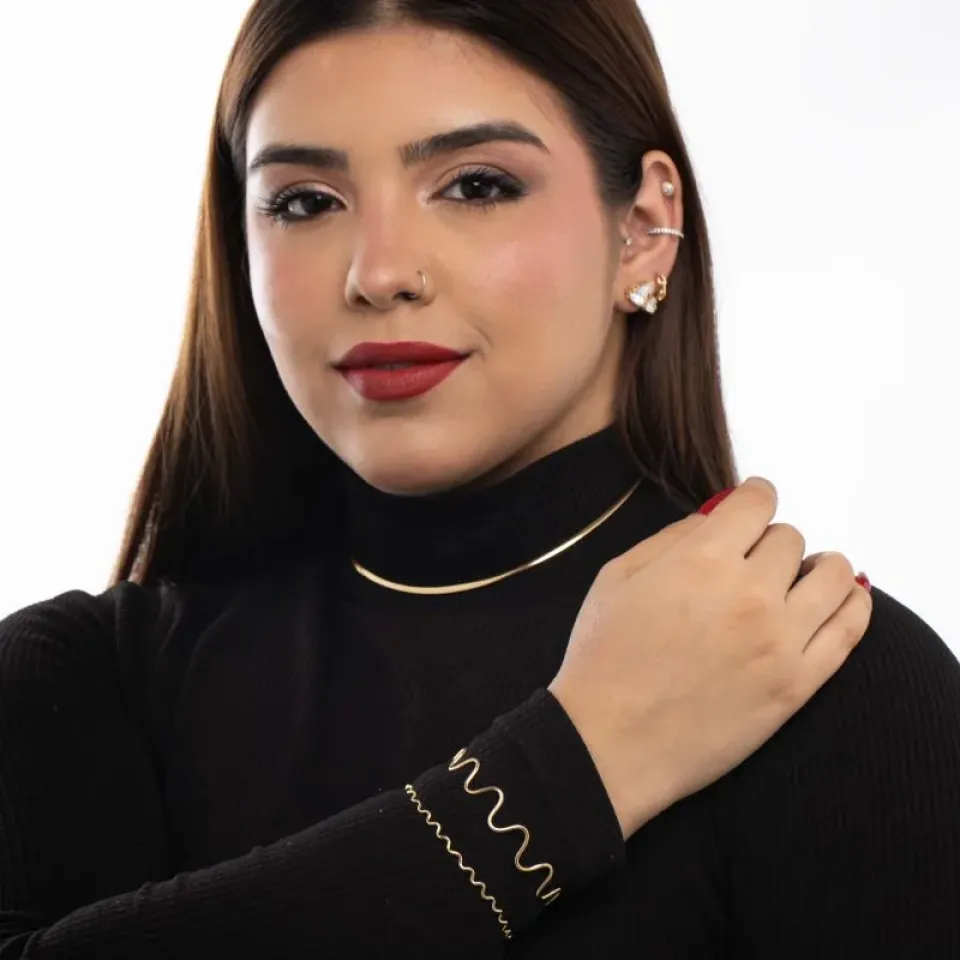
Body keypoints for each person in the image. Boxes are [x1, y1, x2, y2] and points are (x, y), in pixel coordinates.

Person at [0, 0, 957, 956]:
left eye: (476, 185)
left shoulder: (822, 679)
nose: (380, 273)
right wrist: (576, 768)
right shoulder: (86, 688)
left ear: (642, 228)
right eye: (305, 202)